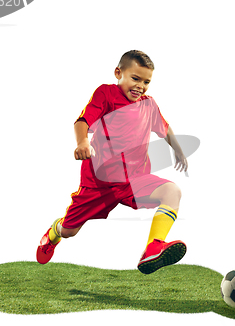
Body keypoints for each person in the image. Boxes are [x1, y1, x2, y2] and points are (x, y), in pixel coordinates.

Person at [37, 50, 188, 275]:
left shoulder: (149, 105)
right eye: (135, 78)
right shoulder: (106, 94)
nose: (140, 86)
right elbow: (82, 121)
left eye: (146, 81)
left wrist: (178, 150)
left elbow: (165, 128)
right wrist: (82, 143)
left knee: (172, 192)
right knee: (70, 230)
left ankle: (153, 247)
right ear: (119, 73)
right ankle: (53, 234)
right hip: (99, 184)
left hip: (133, 181)